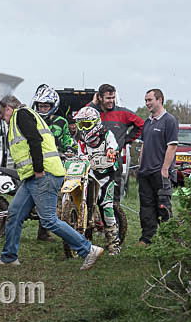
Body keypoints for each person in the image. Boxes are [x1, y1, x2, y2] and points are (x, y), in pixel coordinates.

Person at [0, 94, 103, 270]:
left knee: (49, 220)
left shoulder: (21, 115)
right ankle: (9, 257)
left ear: (8, 108)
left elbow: (35, 140)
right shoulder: (24, 116)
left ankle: (87, 249)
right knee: (14, 213)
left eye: (2, 115)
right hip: (33, 177)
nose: (3, 120)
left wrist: (38, 168)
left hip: (44, 174)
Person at [31, 84, 76, 242]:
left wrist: (70, 148)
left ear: (52, 106)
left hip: (56, 164)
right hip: (35, 164)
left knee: (53, 197)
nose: (43, 109)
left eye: (46, 106)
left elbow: (67, 140)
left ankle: (44, 232)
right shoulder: (32, 120)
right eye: (40, 106)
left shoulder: (61, 122)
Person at [74, 106, 121, 255]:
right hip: (90, 175)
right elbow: (80, 154)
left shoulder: (107, 135)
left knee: (106, 207)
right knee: (86, 206)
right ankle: (85, 241)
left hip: (106, 175)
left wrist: (111, 151)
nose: (83, 128)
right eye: (80, 124)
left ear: (95, 123)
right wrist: (80, 157)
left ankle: (113, 244)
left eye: (86, 124)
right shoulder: (81, 141)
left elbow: (113, 145)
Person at [89, 83, 144, 205]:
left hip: (113, 158)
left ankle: (114, 219)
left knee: (114, 191)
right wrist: (92, 104)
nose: (111, 101)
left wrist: (126, 140)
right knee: (92, 190)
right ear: (100, 98)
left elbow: (141, 124)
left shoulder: (123, 113)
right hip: (94, 158)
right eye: (108, 98)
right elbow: (78, 119)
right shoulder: (92, 113)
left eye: (113, 97)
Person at [136, 89, 179, 246]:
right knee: (146, 207)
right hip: (145, 172)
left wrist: (165, 169)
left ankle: (170, 241)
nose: (147, 103)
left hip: (160, 173)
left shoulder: (169, 120)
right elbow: (144, 146)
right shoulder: (147, 122)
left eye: (150, 100)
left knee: (163, 206)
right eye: (146, 100)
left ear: (160, 100)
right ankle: (147, 238)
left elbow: (172, 146)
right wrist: (140, 166)